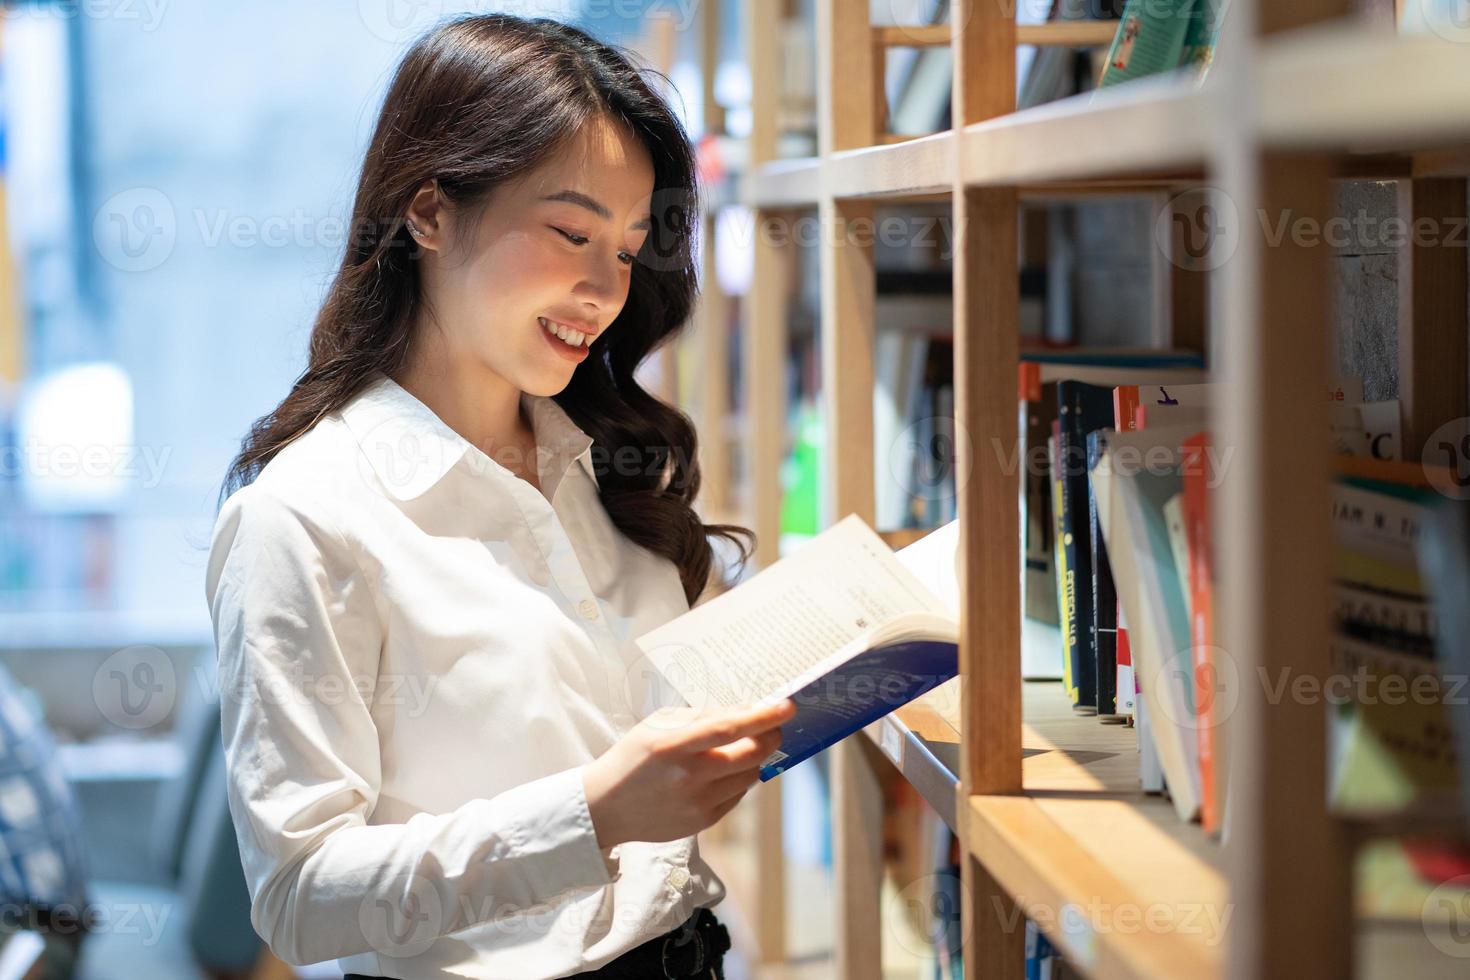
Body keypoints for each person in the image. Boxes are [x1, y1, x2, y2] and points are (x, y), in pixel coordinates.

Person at [204, 14, 794, 979]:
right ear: (429, 212)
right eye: (571, 232)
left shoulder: (602, 465)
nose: (605, 289)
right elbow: (299, 899)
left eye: (629, 247)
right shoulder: (305, 516)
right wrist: (594, 815)